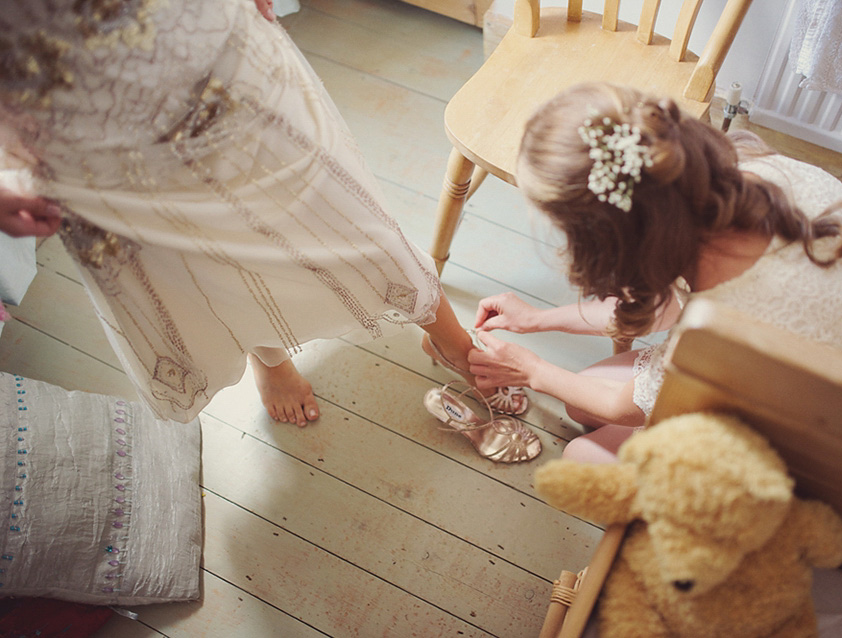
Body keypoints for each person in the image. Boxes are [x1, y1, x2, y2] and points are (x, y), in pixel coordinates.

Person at [0, 0, 525, 429]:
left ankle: (452, 343)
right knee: (193, 266)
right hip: (58, 112)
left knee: (339, 216)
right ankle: (269, 356)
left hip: (192, 35)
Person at [467, 82, 842, 462]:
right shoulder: (736, 178)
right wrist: (536, 320)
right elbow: (660, 310)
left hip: (825, 444)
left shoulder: (719, 330)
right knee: (581, 400)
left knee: (581, 455)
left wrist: (531, 371)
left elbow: (623, 406)